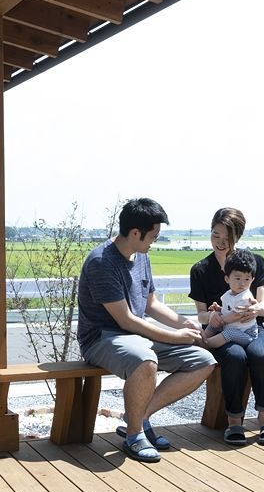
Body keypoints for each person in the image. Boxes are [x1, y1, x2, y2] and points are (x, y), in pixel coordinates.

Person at [77, 197, 216, 463]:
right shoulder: (101, 262)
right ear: (135, 233)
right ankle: (134, 435)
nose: (155, 240)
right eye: (153, 235)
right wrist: (176, 336)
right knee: (145, 360)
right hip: (102, 338)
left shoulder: (141, 256)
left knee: (203, 361)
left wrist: (182, 323)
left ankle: (138, 418)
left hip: (135, 336)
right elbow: (126, 320)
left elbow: (150, 304)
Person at [189, 207, 264, 446]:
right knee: (236, 357)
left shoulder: (254, 262)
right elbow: (201, 315)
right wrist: (214, 318)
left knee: (260, 355)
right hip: (223, 332)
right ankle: (234, 422)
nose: (220, 242)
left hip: (253, 327)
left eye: (227, 238)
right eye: (215, 235)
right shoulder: (200, 270)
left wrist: (257, 309)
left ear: (237, 237)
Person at [201, 250, 259, 349]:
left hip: (246, 334)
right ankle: (202, 338)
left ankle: (204, 345)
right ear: (227, 279)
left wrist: (219, 319)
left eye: (246, 279)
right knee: (216, 316)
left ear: (252, 280)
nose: (242, 283)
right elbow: (228, 309)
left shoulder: (246, 298)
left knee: (227, 330)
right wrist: (219, 309)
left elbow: (236, 315)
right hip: (233, 327)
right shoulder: (229, 294)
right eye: (238, 278)